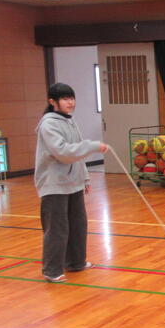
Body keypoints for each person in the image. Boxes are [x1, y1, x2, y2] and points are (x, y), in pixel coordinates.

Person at [34, 83, 106, 283]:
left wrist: (85, 177)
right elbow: (64, 153)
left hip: (73, 183)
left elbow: (77, 153)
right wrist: (93, 146)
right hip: (54, 184)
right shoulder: (48, 124)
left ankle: (75, 262)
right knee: (57, 228)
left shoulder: (70, 121)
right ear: (52, 101)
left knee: (78, 224)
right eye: (66, 99)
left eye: (72, 98)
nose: (71, 102)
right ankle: (52, 270)